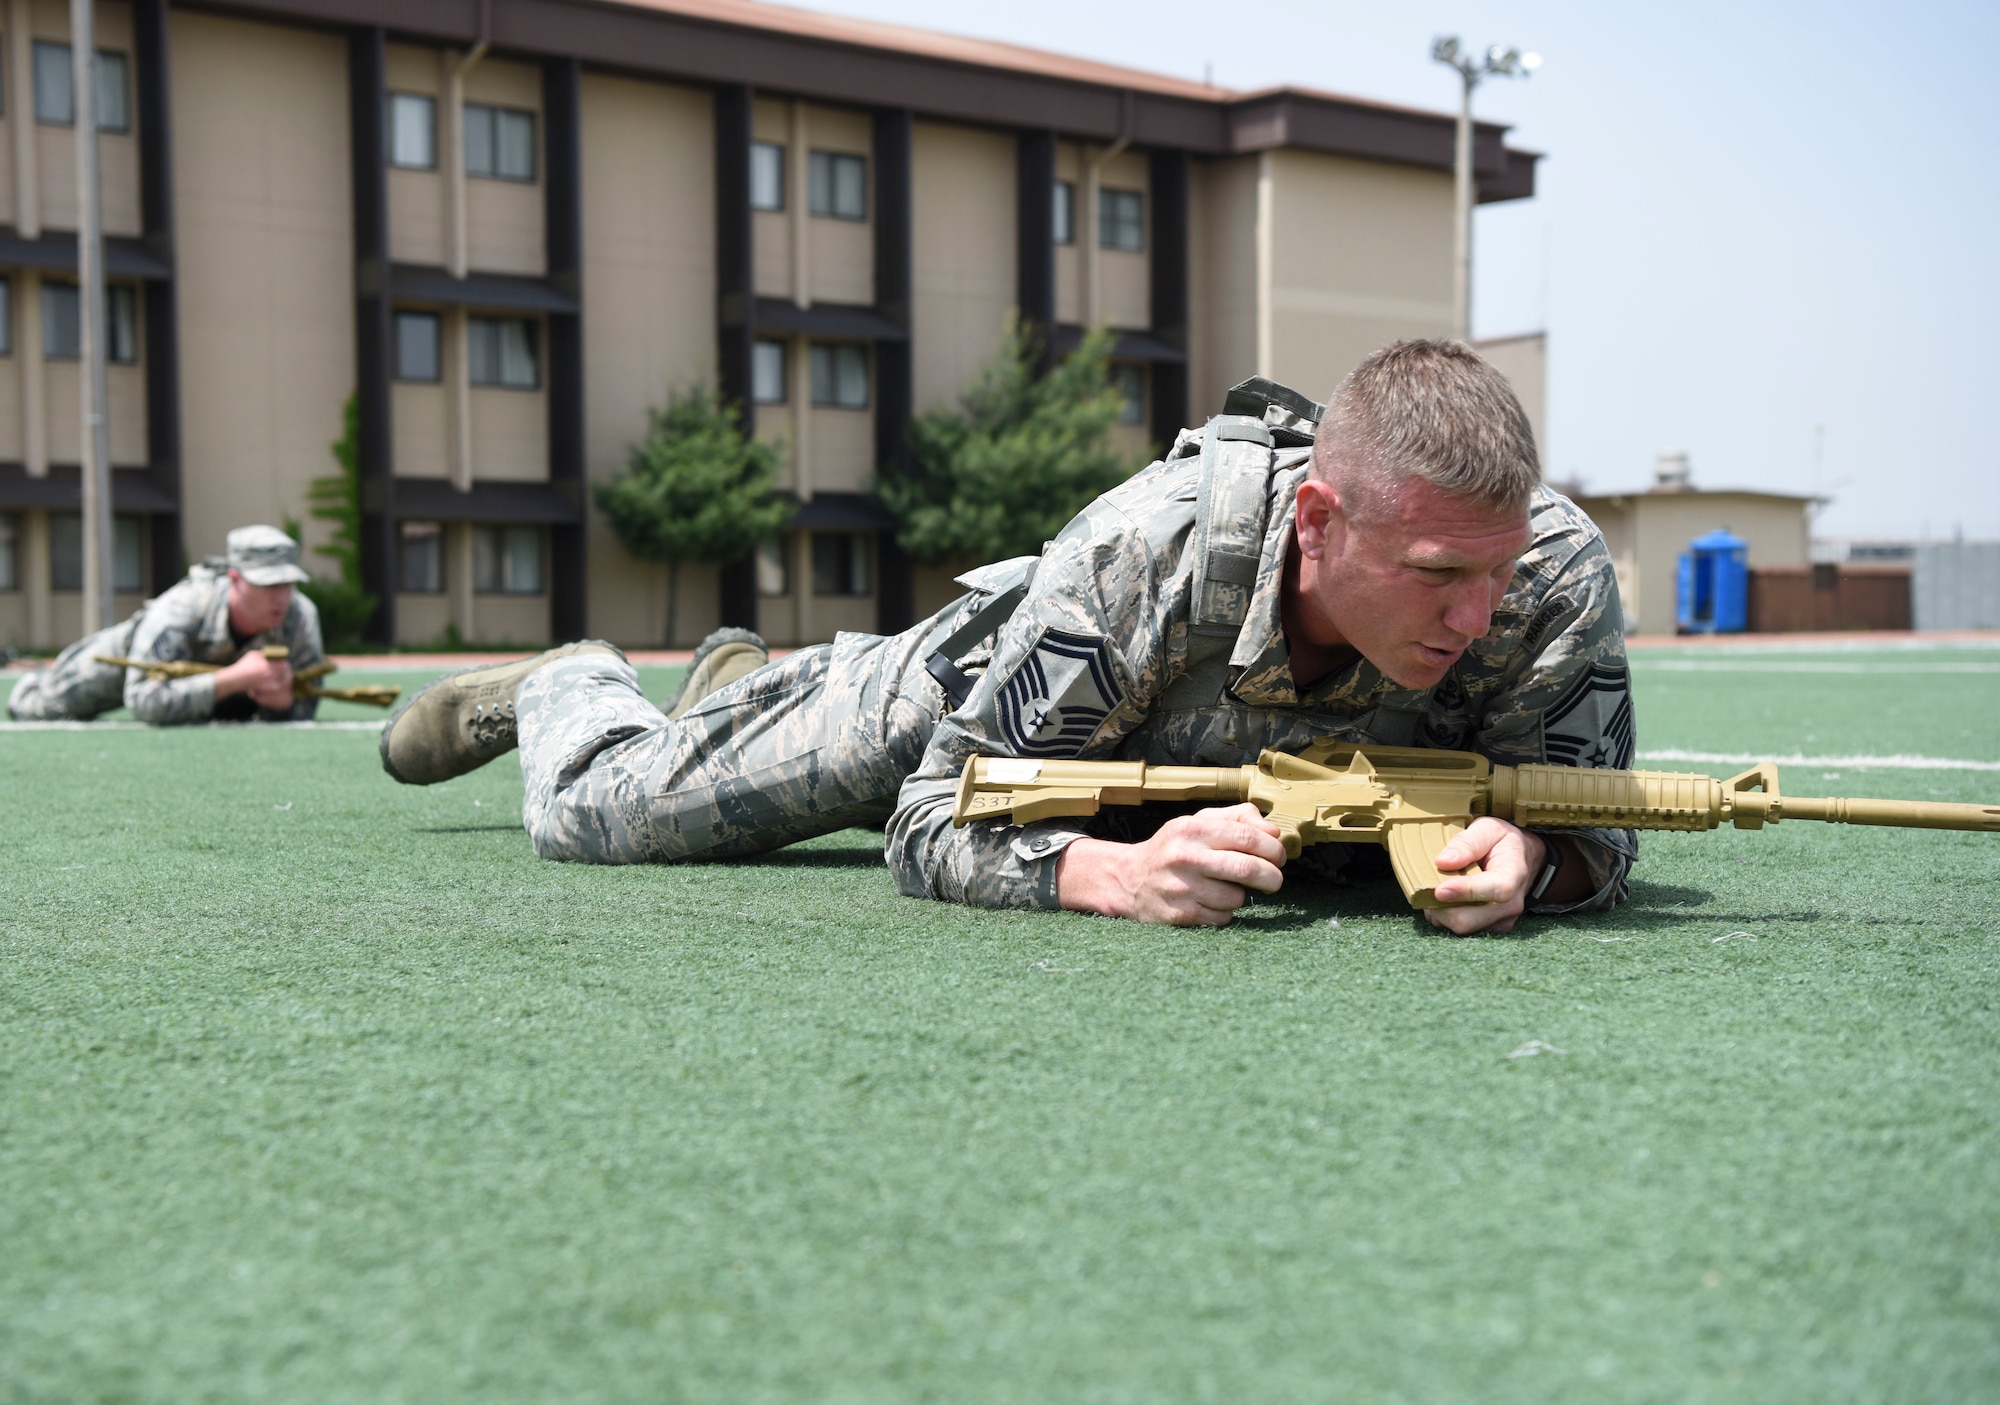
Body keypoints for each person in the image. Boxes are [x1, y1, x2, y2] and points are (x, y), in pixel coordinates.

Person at [380, 340, 1635, 935]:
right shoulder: (1147, 552)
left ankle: (744, 681)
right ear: (1315, 520)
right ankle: (576, 685)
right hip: (976, 695)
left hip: (1153, 779)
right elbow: (934, 815)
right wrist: (1108, 875)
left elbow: (1599, 818)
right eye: (1433, 576)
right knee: (606, 819)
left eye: (1492, 571)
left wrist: (1534, 858)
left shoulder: (1548, 574)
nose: (1475, 617)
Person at [6, 524, 323, 725]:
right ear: (235, 579)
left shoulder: (300, 616)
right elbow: (143, 699)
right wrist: (230, 680)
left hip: (201, 695)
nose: (282, 596)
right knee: (39, 708)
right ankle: (30, 687)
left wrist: (283, 706)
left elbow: (307, 702)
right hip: (121, 669)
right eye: (269, 584)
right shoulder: (180, 608)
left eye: (288, 583)